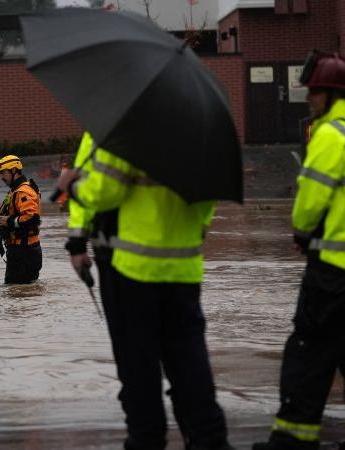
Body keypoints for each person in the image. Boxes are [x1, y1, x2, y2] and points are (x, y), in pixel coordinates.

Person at [58, 133, 232, 450]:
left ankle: (146, 440)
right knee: (189, 360)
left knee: (138, 364)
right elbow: (209, 193)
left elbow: (105, 192)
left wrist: (72, 185)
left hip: (132, 267)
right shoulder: (199, 130)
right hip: (183, 265)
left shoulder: (122, 126)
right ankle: (209, 438)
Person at [253, 52, 345, 450]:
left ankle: (293, 437)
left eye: (314, 92)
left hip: (336, 268)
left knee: (309, 351)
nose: (308, 100)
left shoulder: (331, 134)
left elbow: (310, 204)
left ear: (331, 95)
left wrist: (301, 232)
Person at [0, 155, 42, 284]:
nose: (2, 177)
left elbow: (32, 218)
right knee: (17, 293)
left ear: (14, 170)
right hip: (19, 250)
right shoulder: (15, 191)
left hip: (24, 251)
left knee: (17, 292)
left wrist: (8, 221)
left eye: (3, 173)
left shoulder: (23, 192)